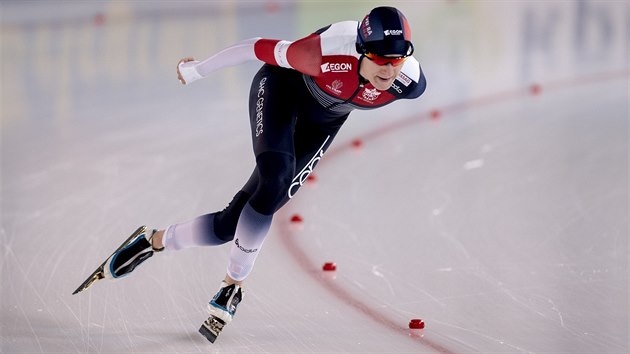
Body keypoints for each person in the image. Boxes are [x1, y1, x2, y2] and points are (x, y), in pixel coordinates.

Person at [101, 6, 426, 342]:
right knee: (276, 177)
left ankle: (152, 241)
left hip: (322, 125)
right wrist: (196, 70)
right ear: (360, 49)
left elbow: (397, 73)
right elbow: (252, 46)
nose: (388, 69)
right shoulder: (322, 53)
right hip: (281, 91)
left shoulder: (410, 81)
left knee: (229, 226)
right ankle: (232, 287)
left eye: (397, 58)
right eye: (379, 57)